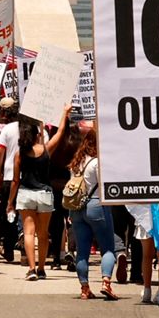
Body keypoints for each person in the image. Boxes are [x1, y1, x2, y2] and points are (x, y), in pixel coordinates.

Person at [8, 112, 68, 281]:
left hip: (26, 194)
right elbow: (60, 133)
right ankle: (42, 268)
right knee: (43, 234)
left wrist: (10, 202)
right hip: (44, 194)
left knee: (28, 233)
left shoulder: (19, 154)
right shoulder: (46, 150)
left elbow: (15, 180)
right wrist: (64, 113)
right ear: (37, 134)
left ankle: (32, 268)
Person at [69, 126, 118, 299]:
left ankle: (84, 288)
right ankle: (106, 282)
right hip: (97, 205)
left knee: (82, 251)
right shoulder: (98, 162)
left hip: (76, 208)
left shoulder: (77, 162)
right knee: (108, 248)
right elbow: (105, 183)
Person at [0, 98, 21, 263]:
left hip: (9, 176)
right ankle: (26, 247)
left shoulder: (7, 130)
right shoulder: (33, 128)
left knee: (9, 212)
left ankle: (9, 246)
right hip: (30, 177)